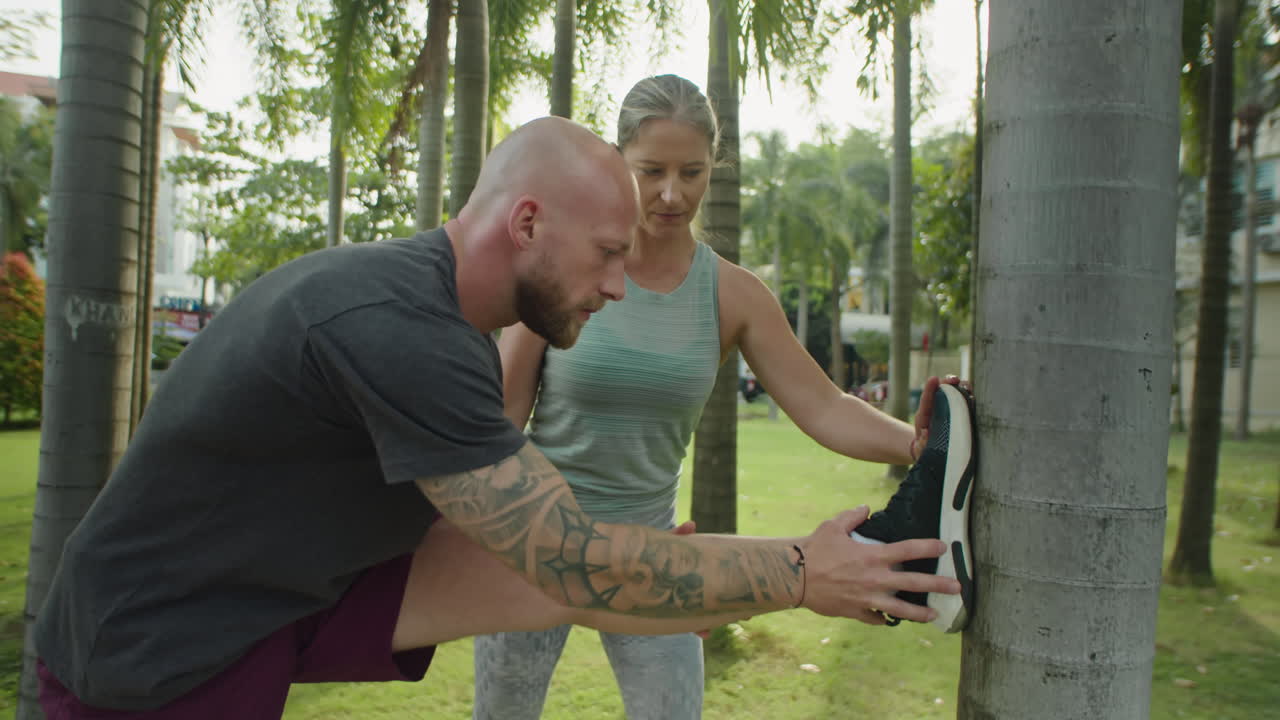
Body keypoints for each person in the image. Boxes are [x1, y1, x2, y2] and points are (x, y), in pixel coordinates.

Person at [32, 116, 961, 720]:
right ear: (525, 224)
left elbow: (509, 558)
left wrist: (675, 571)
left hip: (254, 611)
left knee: (578, 580)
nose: (615, 284)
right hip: (151, 663)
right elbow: (576, 564)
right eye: (605, 253)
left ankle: (891, 555)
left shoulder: (439, 323)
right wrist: (797, 571)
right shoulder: (400, 331)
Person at [474, 75, 975, 720]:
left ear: (716, 166)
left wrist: (922, 443)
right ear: (618, 159)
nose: (671, 193)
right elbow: (504, 421)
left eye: (692, 171)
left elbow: (823, 406)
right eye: (651, 170)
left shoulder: (733, 295)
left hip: (653, 557)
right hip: (537, 547)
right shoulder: (562, 265)